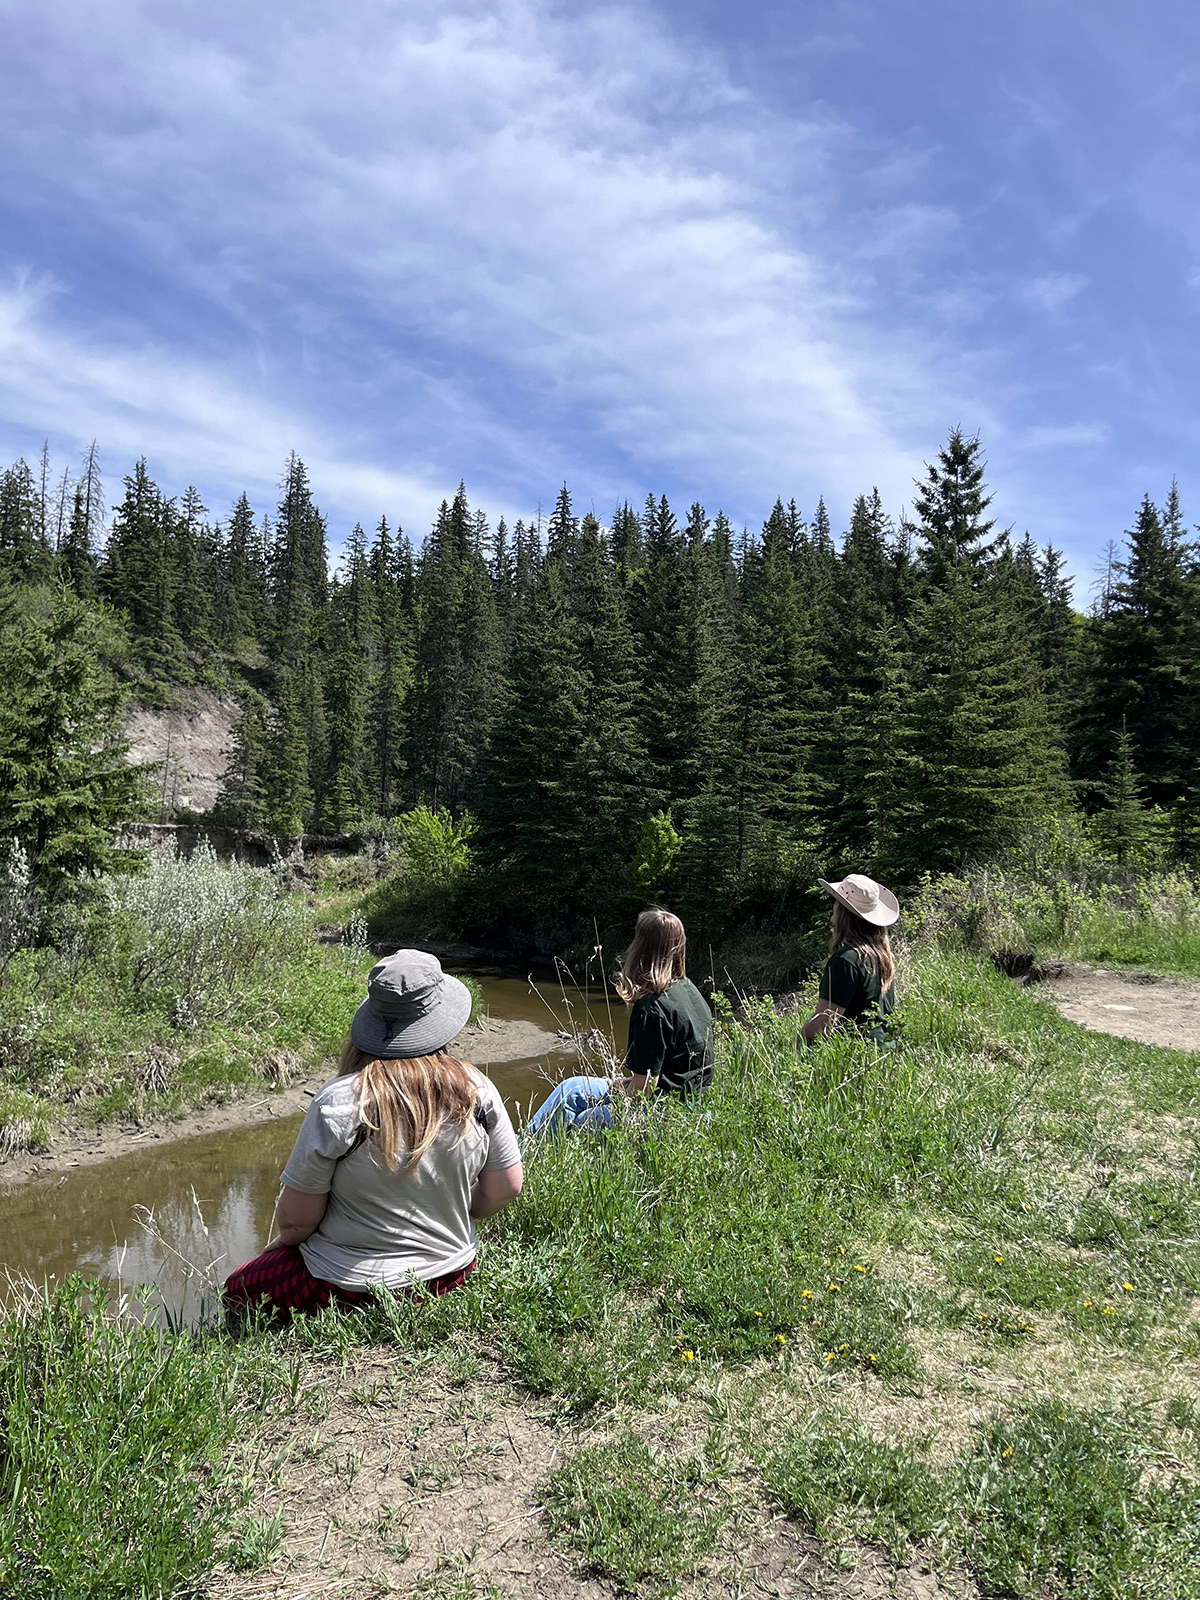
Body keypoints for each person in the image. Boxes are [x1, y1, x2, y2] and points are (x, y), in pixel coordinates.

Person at [223, 950, 523, 1322]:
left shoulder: (339, 1101)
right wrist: (450, 1212)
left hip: (346, 1288)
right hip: (451, 1275)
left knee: (237, 1288)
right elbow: (506, 1187)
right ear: (440, 1019)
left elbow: (296, 1223)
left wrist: (278, 1250)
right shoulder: (477, 1088)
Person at [523, 907, 714, 1138]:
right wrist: (619, 1084)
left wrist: (621, 1088)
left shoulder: (652, 1008)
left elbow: (643, 1091)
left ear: (642, 947)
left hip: (668, 1115)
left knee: (583, 1120)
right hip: (699, 1110)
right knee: (571, 1089)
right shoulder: (691, 992)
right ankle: (519, 1150)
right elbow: (668, 1075)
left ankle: (520, 1156)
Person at [799, 873, 899, 1048]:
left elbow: (822, 1025)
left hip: (858, 1058)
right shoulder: (881, 958)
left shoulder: (846, 961)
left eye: (836, 902)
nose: (833, 907)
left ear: (843, 912)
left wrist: (790, 1046)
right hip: (886, 1055)